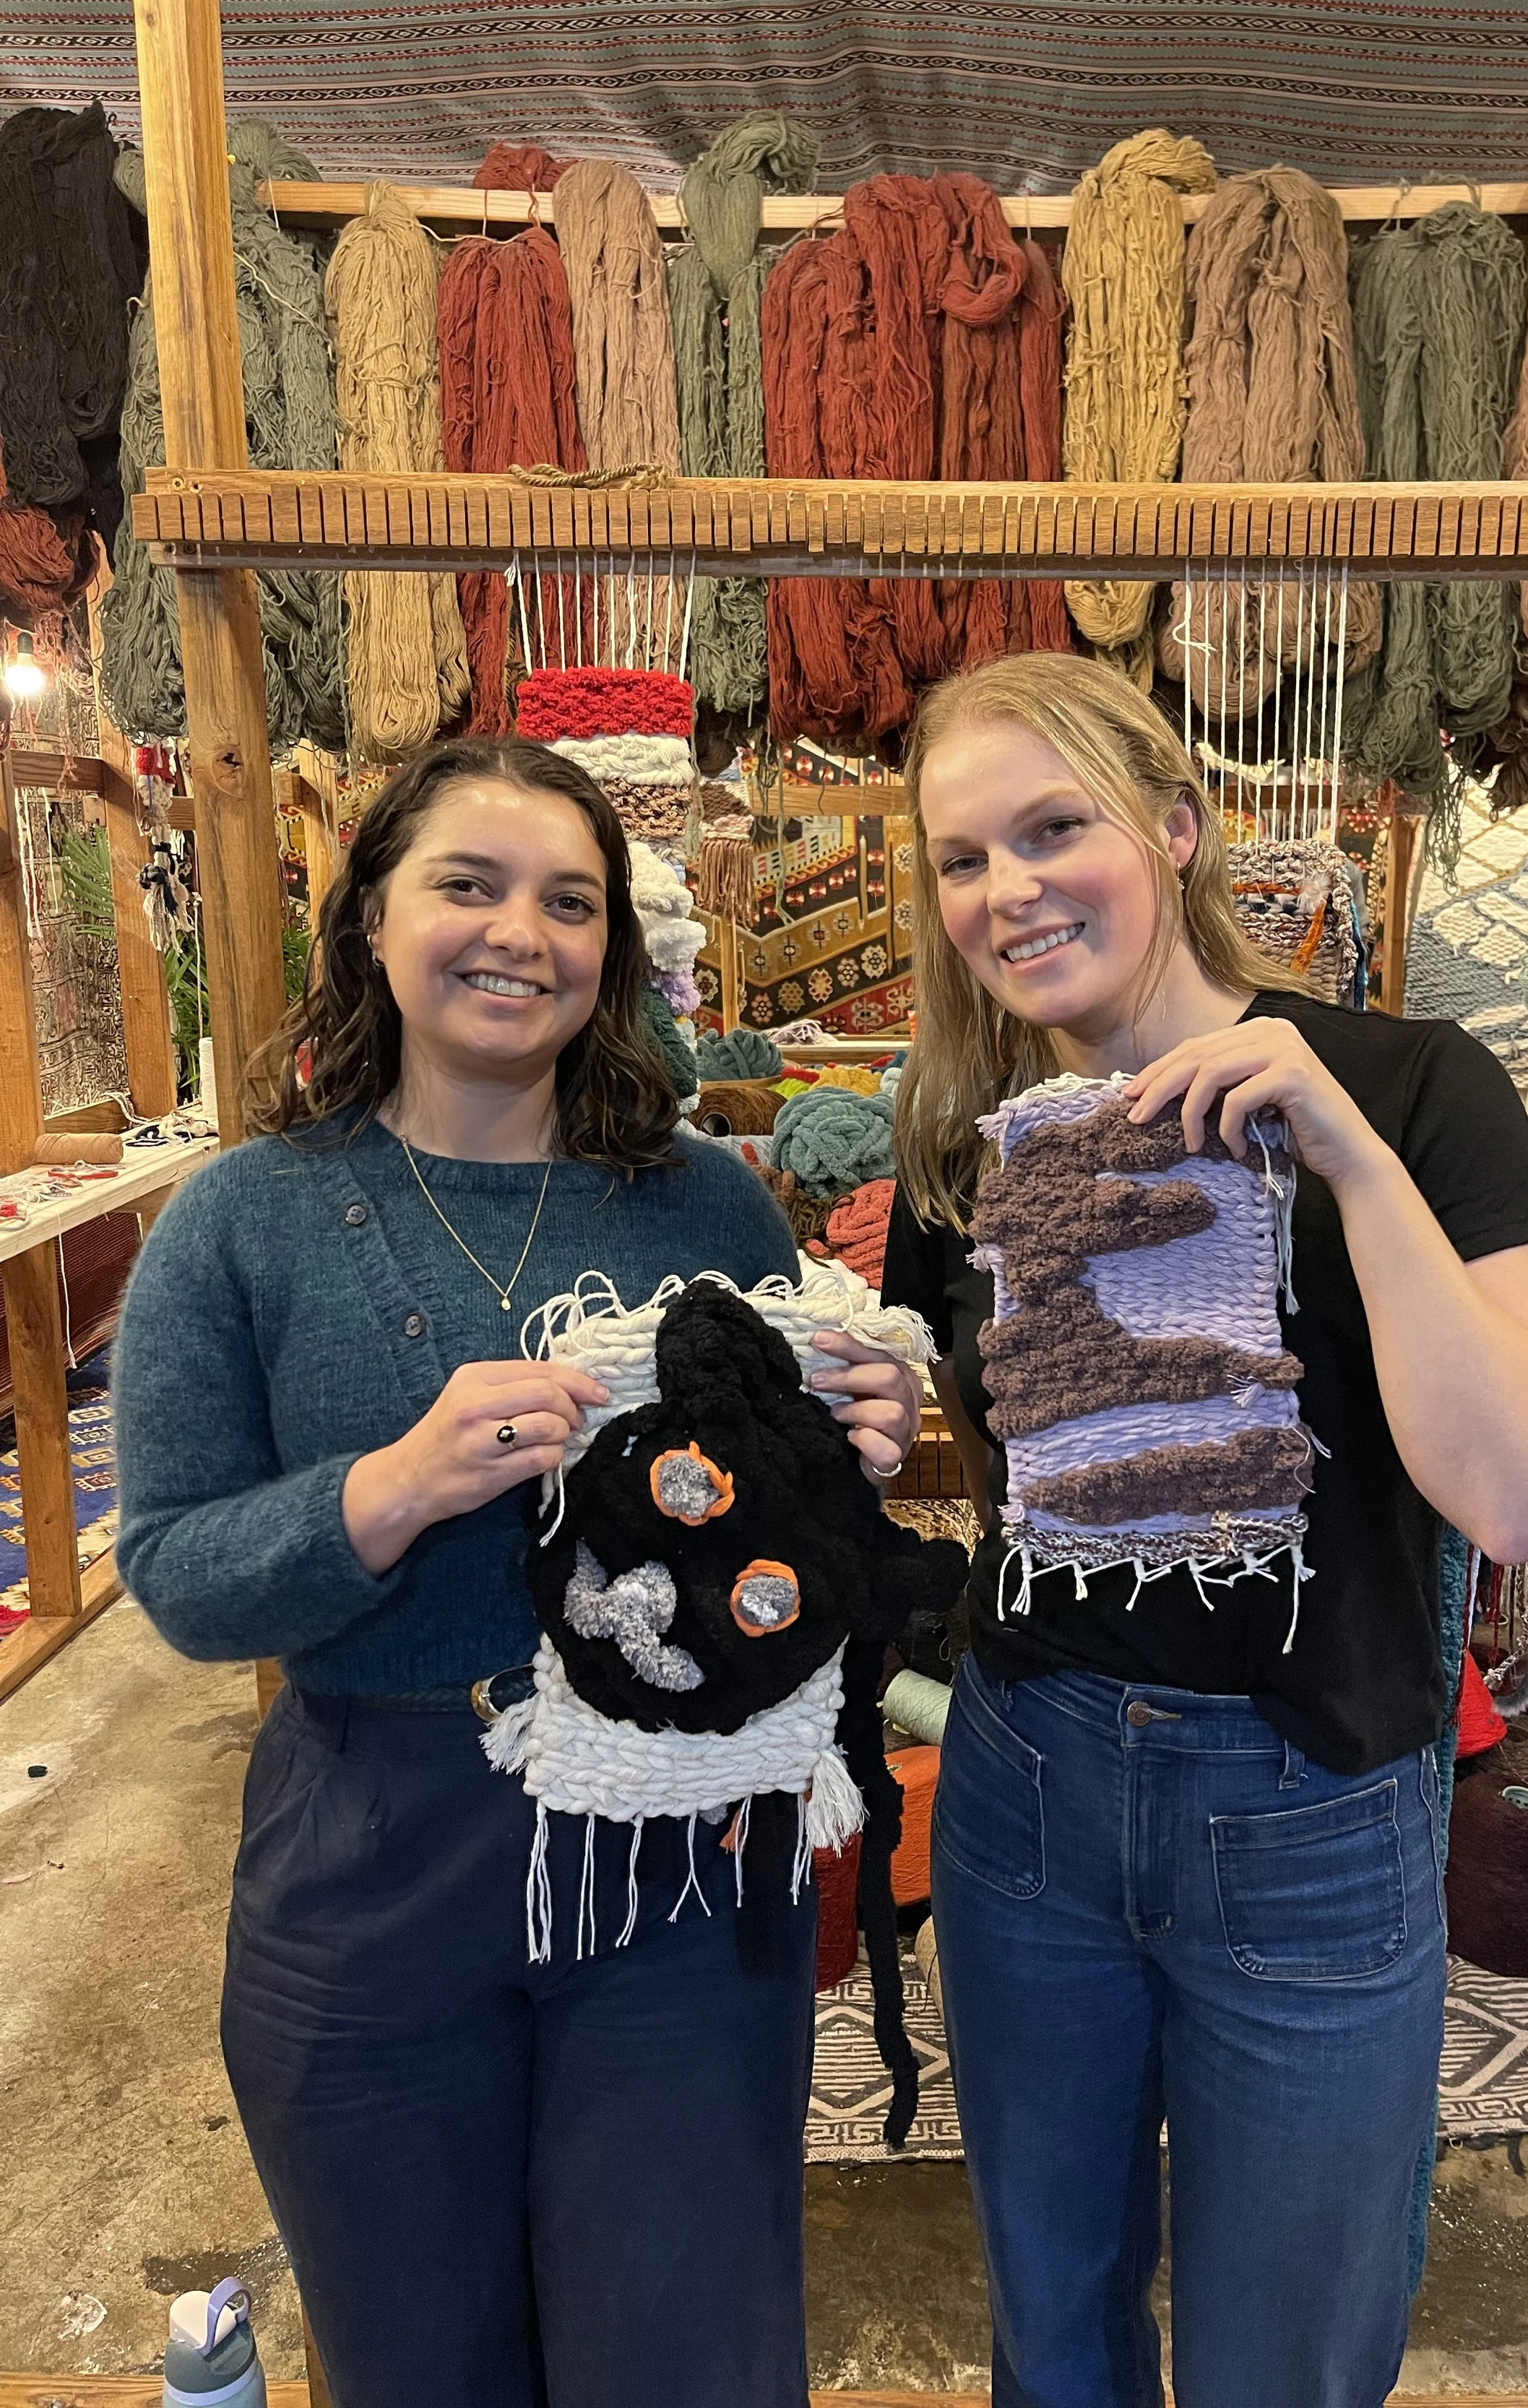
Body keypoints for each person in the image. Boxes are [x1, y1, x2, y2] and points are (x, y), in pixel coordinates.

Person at [113, 738, 922, 2408]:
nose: (519, 934)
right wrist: (391, 1491)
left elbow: (781, 1558)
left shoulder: (703, 1203)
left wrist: (848, 1461)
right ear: (371, 925)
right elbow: (182, 1575)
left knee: (685, 2345)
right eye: (467, 886)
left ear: (613, 950)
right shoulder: (240, 1222)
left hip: (681, 1846)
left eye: (569, 900)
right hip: (373, 1845)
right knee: (415, 2353)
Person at [882, 657, 1528, 2408]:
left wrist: (1347, 1162)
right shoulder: (967, 1144)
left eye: (1055, 829)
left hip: (1312, 1812)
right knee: (1053, 2327)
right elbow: (990, 1482)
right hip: (1025, 1788)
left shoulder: (1412, 1091)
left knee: (1289, 2350)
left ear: (1178, 828)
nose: (1008, 889)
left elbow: (1514, 1494)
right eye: (962, 859)